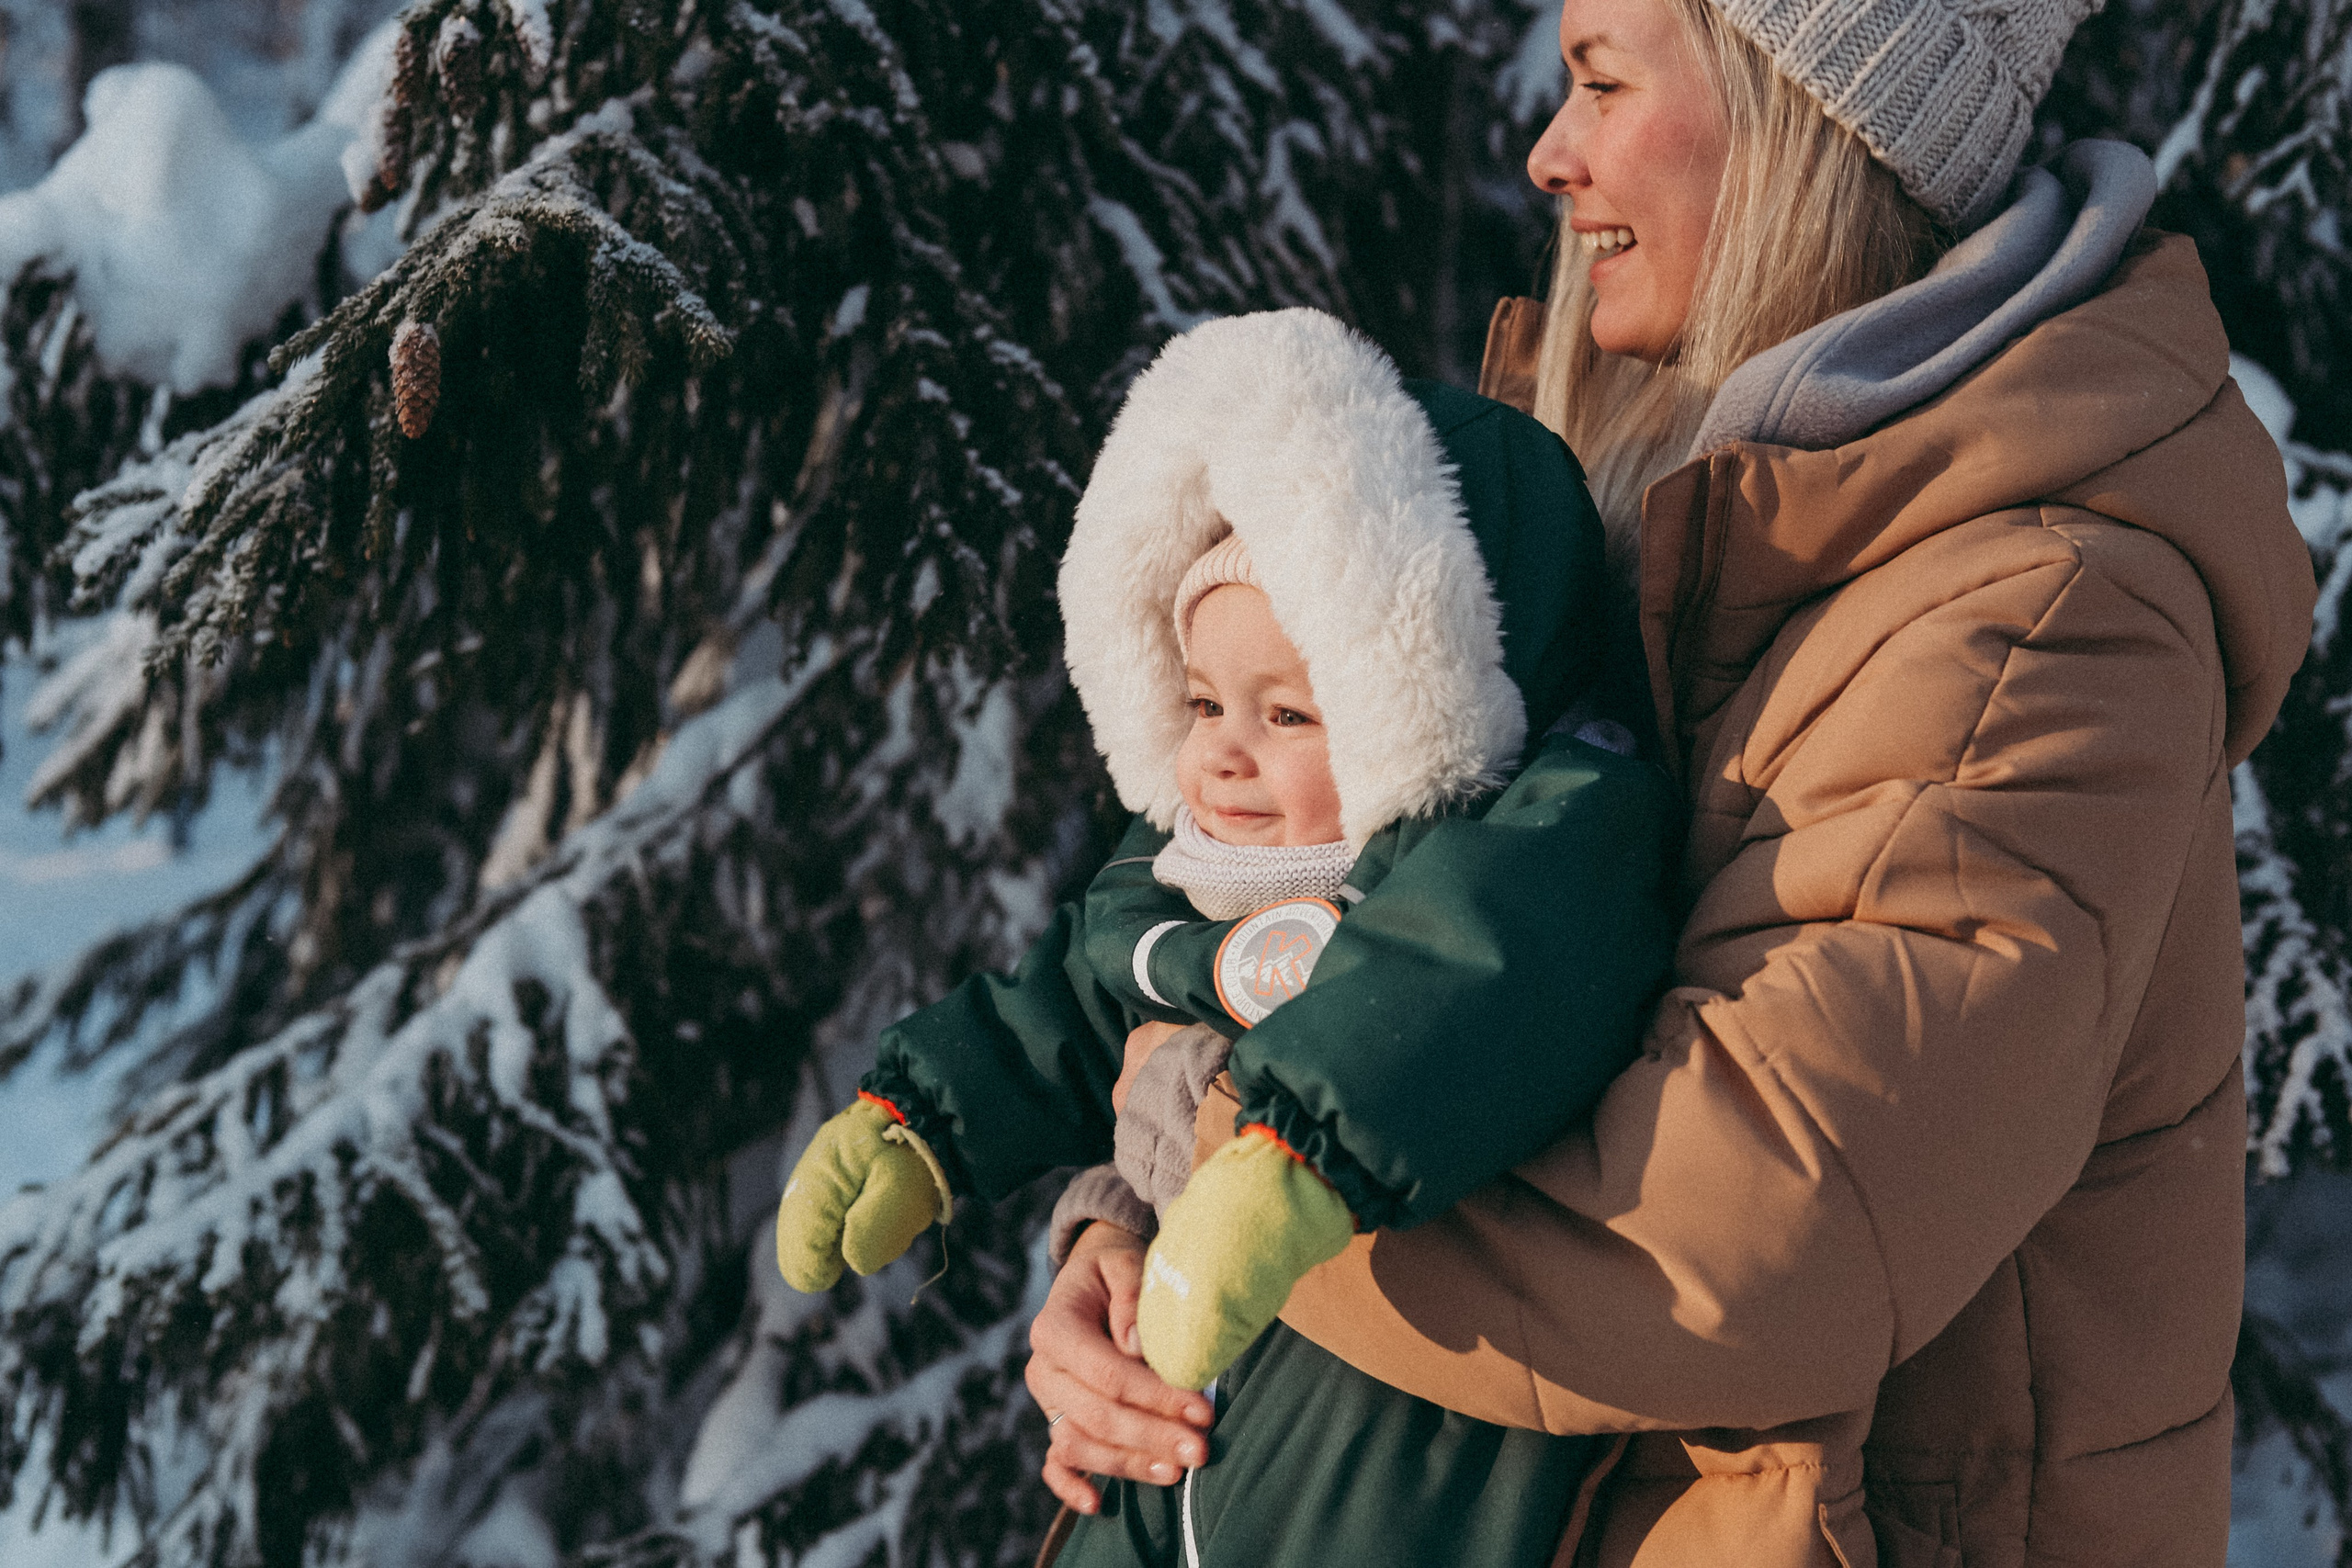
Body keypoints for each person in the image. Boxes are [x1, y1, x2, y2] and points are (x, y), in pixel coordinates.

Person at [1025, 0, 2321, 1559]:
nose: (1547, 153)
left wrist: (1213, 1132)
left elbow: (1741, 1233)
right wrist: (1133, 1225)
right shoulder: (1648, 508)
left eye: (1601, 80)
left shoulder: (2041, 614)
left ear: (1804, 118)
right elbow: (1341, 905)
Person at [774, 307, 1680, 1562]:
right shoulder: (1199, 876)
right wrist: (925, 1114)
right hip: (1174, 1431)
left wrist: (1291, 1153)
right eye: (1202, 701)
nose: (1223, 753)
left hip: (1394, 1444)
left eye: (1291, 714)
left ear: (1417, 699)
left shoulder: (1516, 849)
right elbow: (1073, 995)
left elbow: (1468, 977)